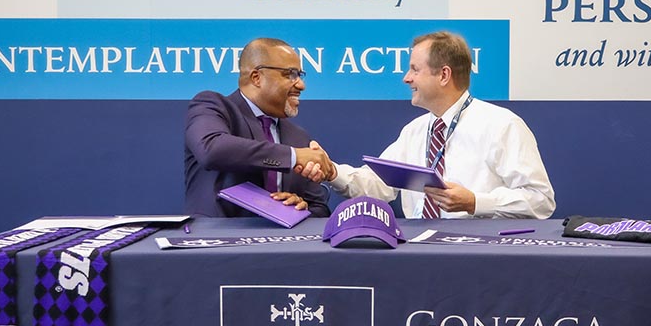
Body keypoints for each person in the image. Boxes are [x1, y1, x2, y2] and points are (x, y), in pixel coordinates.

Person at [309, 31, 555, 219]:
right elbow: (377, 185)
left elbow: (541, 200)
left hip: (480, 251)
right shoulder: (414, 131)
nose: (406, 78)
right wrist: (331, 171)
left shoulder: (502, 125)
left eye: (415, 69)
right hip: (417, 252)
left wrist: (475, 202)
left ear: (444, 75)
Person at [184, 37, 331, 217]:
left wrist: (300, 208)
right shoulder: (212, 106)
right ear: (256, 77)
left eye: (300, 75)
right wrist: (292, 156)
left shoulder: (299, 137)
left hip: (283, 244)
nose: (301, 85)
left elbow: (319, 210)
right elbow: (211, 150)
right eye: (290, 74)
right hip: (218, 241)